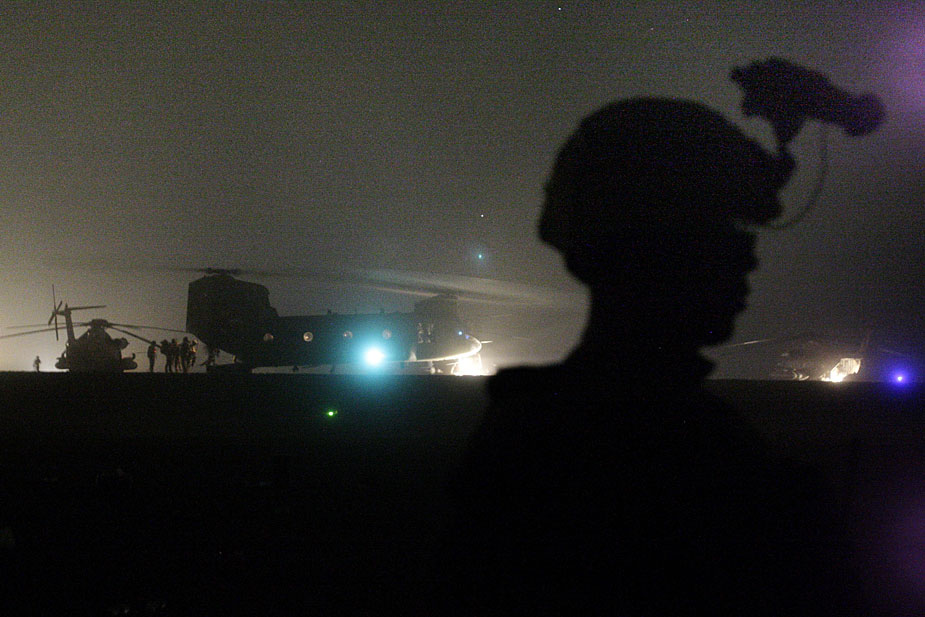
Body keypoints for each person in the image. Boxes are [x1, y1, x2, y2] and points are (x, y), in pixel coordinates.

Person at [432, 98, 853, 615]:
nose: (748, 258)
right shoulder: (704, 463)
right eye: (722, 231)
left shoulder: (527, 436)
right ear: (659, 251)